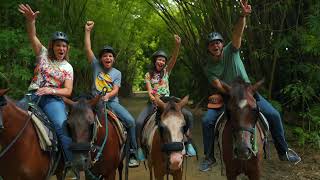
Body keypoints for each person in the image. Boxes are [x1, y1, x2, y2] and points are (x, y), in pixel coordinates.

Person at [199, 0, 301, 172]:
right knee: (207, 121)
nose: (215, 45)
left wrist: (242, 16)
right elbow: (217, 84)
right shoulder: (209, 67)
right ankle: (209, 157)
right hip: (227, 95)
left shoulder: (231, 50)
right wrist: (232, 94)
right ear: (208, 49)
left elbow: (237, 34)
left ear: (222, 44)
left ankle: (283, 151)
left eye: (218, 42)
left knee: (274, 115)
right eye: (211, 44)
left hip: (247, 93)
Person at [18, 4, 74, 165]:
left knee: (60, 126)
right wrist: (31, 21)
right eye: (58, 45)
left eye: (64, 45)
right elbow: (32, 36)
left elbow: (68, 90)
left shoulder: (67, 67)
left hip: (52, 99)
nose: (61, 48)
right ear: (52, 46)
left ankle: (70, 164)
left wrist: (52, 90)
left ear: (67, 48)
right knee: (9, 117)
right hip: (32, 95)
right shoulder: (42, 53)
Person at [84, 21, 140, 167]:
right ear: (100, 58)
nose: (107, 58)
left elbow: (115, 89)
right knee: (78, 121)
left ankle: (133, 152)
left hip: (112, 102)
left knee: (131, 121)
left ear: (113, 59)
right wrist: (88, 31)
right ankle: (77, 156)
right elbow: (88, 49)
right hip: (95, 102)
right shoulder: (96, 65)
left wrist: (108, 96)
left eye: (110, 56)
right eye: (105, 56)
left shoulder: (117, 73)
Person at [136, 34, 196, 158]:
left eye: (163, 60)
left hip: (168, 102)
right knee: (139, 122)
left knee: (188, 115)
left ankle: (188, 143)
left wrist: (177, 45)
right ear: (155, 61)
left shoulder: (166, 71)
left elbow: (174, 58)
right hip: (154, 102)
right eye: (159, 59)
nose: (161, 62)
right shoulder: (148, 74)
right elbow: (149, 89)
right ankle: (140, 148)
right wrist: (153, 98)